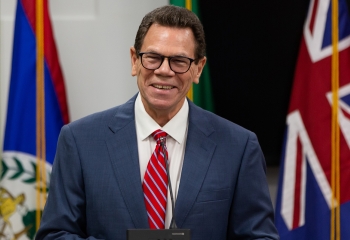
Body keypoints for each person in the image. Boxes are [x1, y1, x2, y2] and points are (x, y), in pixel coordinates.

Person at [36, 5, 279, 240]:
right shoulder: (80, 141)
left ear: (198, 69)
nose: (164, 71)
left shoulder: (238, 147)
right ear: (134, 60)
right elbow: (54, 235)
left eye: (179, 61)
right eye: (152, 57)